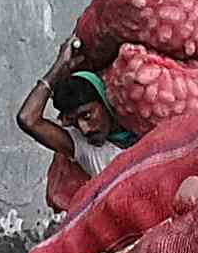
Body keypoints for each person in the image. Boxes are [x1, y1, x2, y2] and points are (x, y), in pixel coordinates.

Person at [14, 48, 122, 212]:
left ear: (104, 101)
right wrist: (59, 65)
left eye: (87, 115)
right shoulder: (86, 148)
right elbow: (28, 119)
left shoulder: (146, 132)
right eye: (76, 122)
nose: (85, 129)